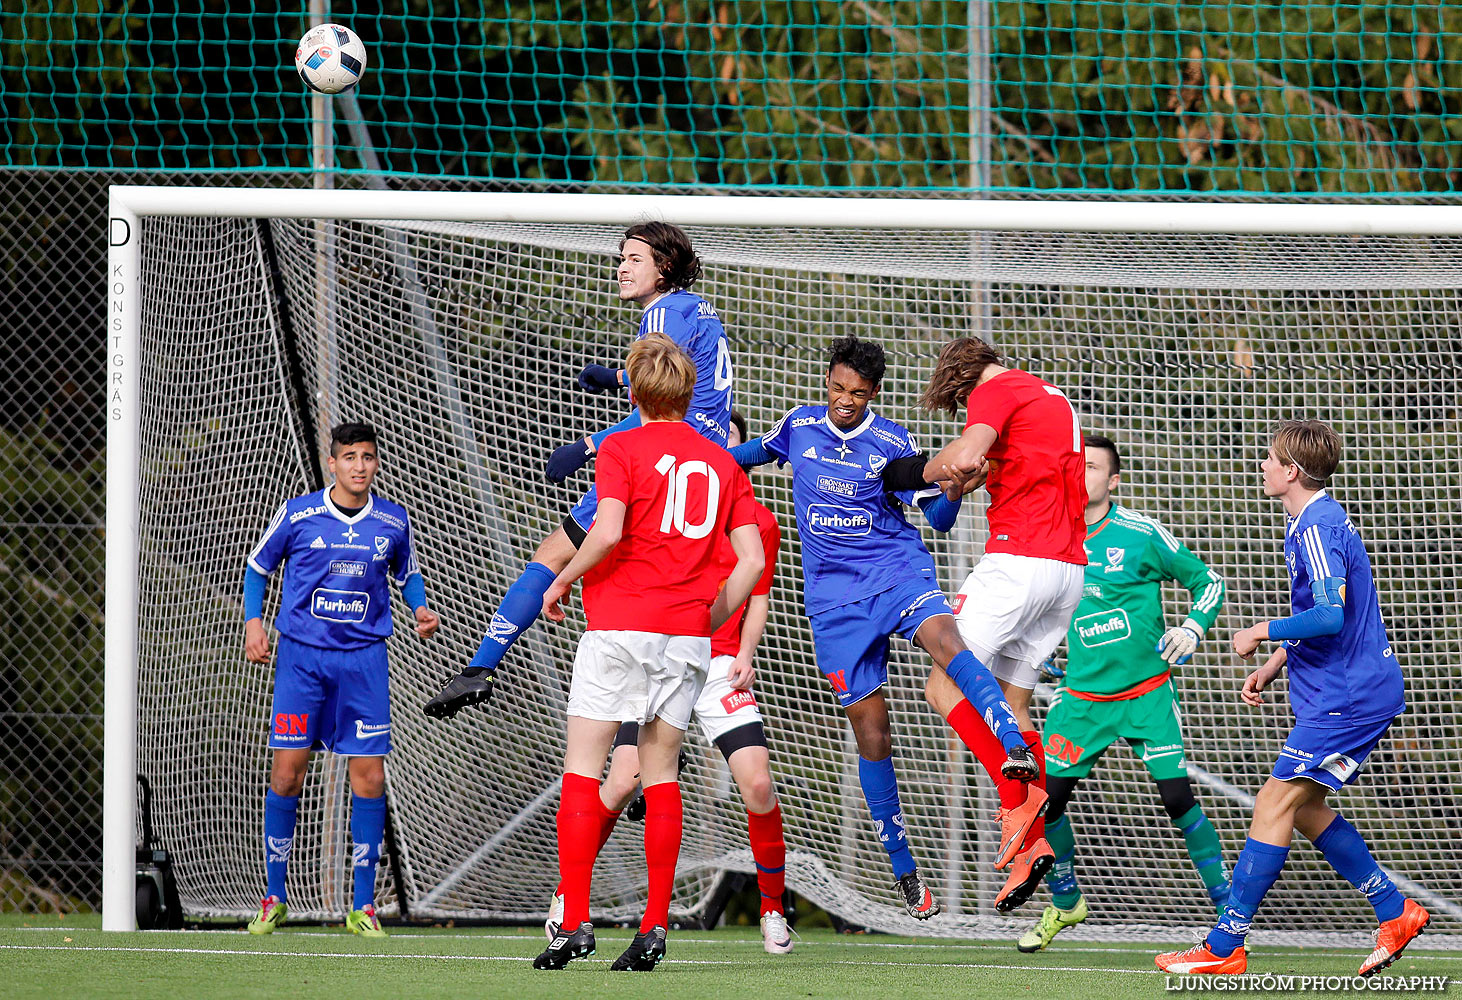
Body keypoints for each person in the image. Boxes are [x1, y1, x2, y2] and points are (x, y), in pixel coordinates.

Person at [731, 335, 1042, 920]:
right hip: (834, 603)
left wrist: (952, 488)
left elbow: (940, 520)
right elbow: (743, 457)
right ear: (827, 381)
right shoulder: (798, 426)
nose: (845, 401)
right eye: (837, 388)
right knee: (873, 736)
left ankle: (1012, 743)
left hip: (896, 571)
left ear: (874, 393)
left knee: (949, 643)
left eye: (858, 393)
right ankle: (904, 869)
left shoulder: (892, 440)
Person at [425, 222, 734, 719]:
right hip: (703, 463)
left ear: (666, 266)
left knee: (559, 553)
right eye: (622, 257)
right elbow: (672, 375)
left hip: (662, 457)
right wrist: (616, 377)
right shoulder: (694, 308)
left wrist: (587, 446)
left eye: (635, 258)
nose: (622, 267)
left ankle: (480, 669)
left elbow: (659, 404)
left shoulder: (662, 311)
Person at [1157, 421, 1428, 977]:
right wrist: (1277, 663)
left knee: (1271, 803)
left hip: (1348, 696)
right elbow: (1338, 614)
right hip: (1343, 689)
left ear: (1291, 472)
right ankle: (1394, 910)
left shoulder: (1314, 527)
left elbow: (1329, 616)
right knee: (1301, 808)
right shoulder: (1311, 521)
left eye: (1269, 457)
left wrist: (1261, 631)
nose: (1261, 464)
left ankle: (1224, 944)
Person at [534, 334, 765, 972]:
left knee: (584, 769)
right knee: (661, 776)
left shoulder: (620, 446)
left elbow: (607, 531)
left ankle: (573, 922)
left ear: (634, 392)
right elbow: (752, 560)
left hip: (618, 628)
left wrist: (560, 581)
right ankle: (654, 929)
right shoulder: (720, 461)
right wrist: (710, 614)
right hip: (685, 639)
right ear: (691, 395)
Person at [880, 337, 1087, 912]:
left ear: (965, 382)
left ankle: (1017, 808)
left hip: (1017, 562)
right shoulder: (1051, 398)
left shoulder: (995, 391)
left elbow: (965, 457)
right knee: (1015, 709)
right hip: (1067, 573)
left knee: (943, 683)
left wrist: (905, 471)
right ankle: (1031, 844)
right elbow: (960, 492)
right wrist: (948, 486)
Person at [1017, 434, 1229, 953]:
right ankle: (1066, 903)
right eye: (1075, 466)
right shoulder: (1051, 535)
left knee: (1177, 801)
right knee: (1044, 805)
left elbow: (1210, 582)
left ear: (1113, 480)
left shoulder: (1139, 533)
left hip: (1147, 694)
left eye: (1092, 468)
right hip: (1081, 701)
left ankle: (1230, 911)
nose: (1081, 474)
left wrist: (1194, 628)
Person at [242, 423, 440, 938]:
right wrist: (254, 622)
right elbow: (258, 566)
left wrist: (419, 608)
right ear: (332, 463)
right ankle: (273, 897)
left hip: (364, 663)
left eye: (368, 457)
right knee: (287, 775)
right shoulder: (299, 513)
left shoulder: (393, 521)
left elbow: (407, 573)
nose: (359, 465)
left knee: (369, 779)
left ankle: (362, 907)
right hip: (302, 662)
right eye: (349, 456)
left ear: (376, 464)